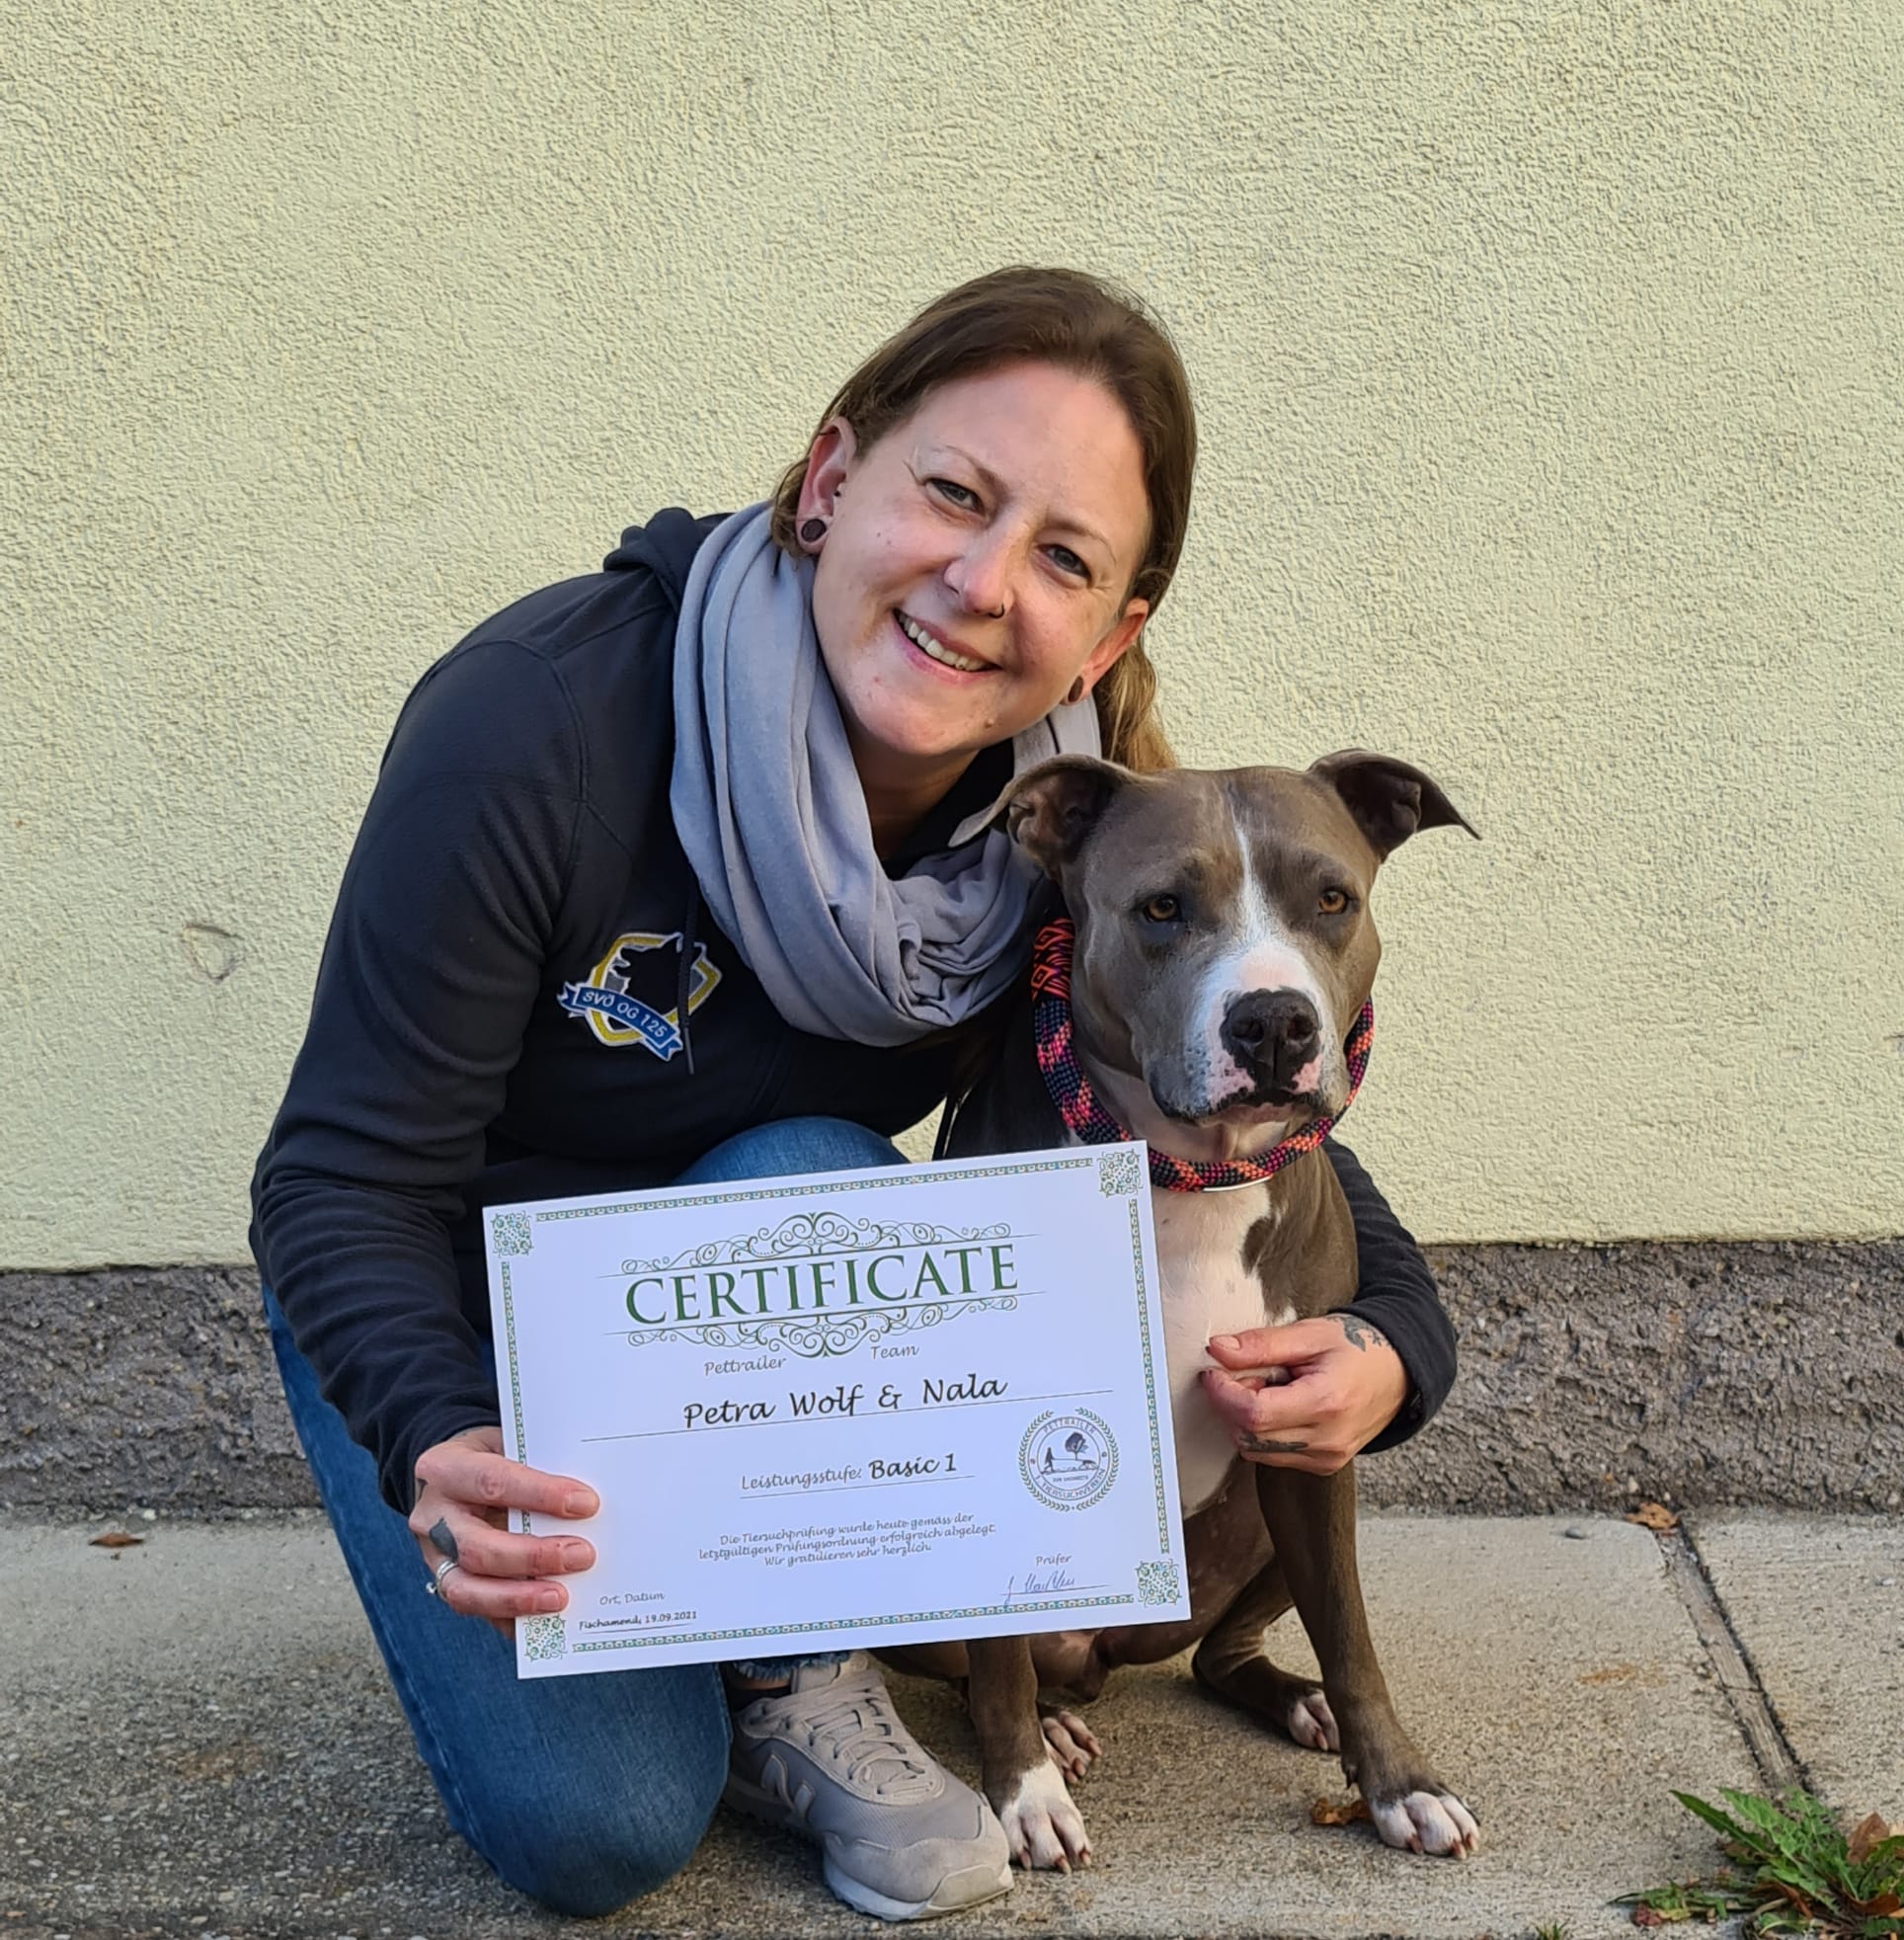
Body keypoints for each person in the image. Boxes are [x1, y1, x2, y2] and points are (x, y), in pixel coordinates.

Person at [251, 267, 1459, 1924]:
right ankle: (713, 1630)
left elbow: (1231, 1109)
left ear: (1113, 630)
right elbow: (336, 1180)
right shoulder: (534, 731)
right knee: (602, 1827)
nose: (983, 583)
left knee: (810, 1165)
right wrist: (432, 1425)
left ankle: (792, 1663)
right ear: (830, 482)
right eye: (954, 494)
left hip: (763, 1296)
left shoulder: (1069, 835)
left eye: (1064, 557)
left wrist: (1396, 1342)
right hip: (460, 1297)